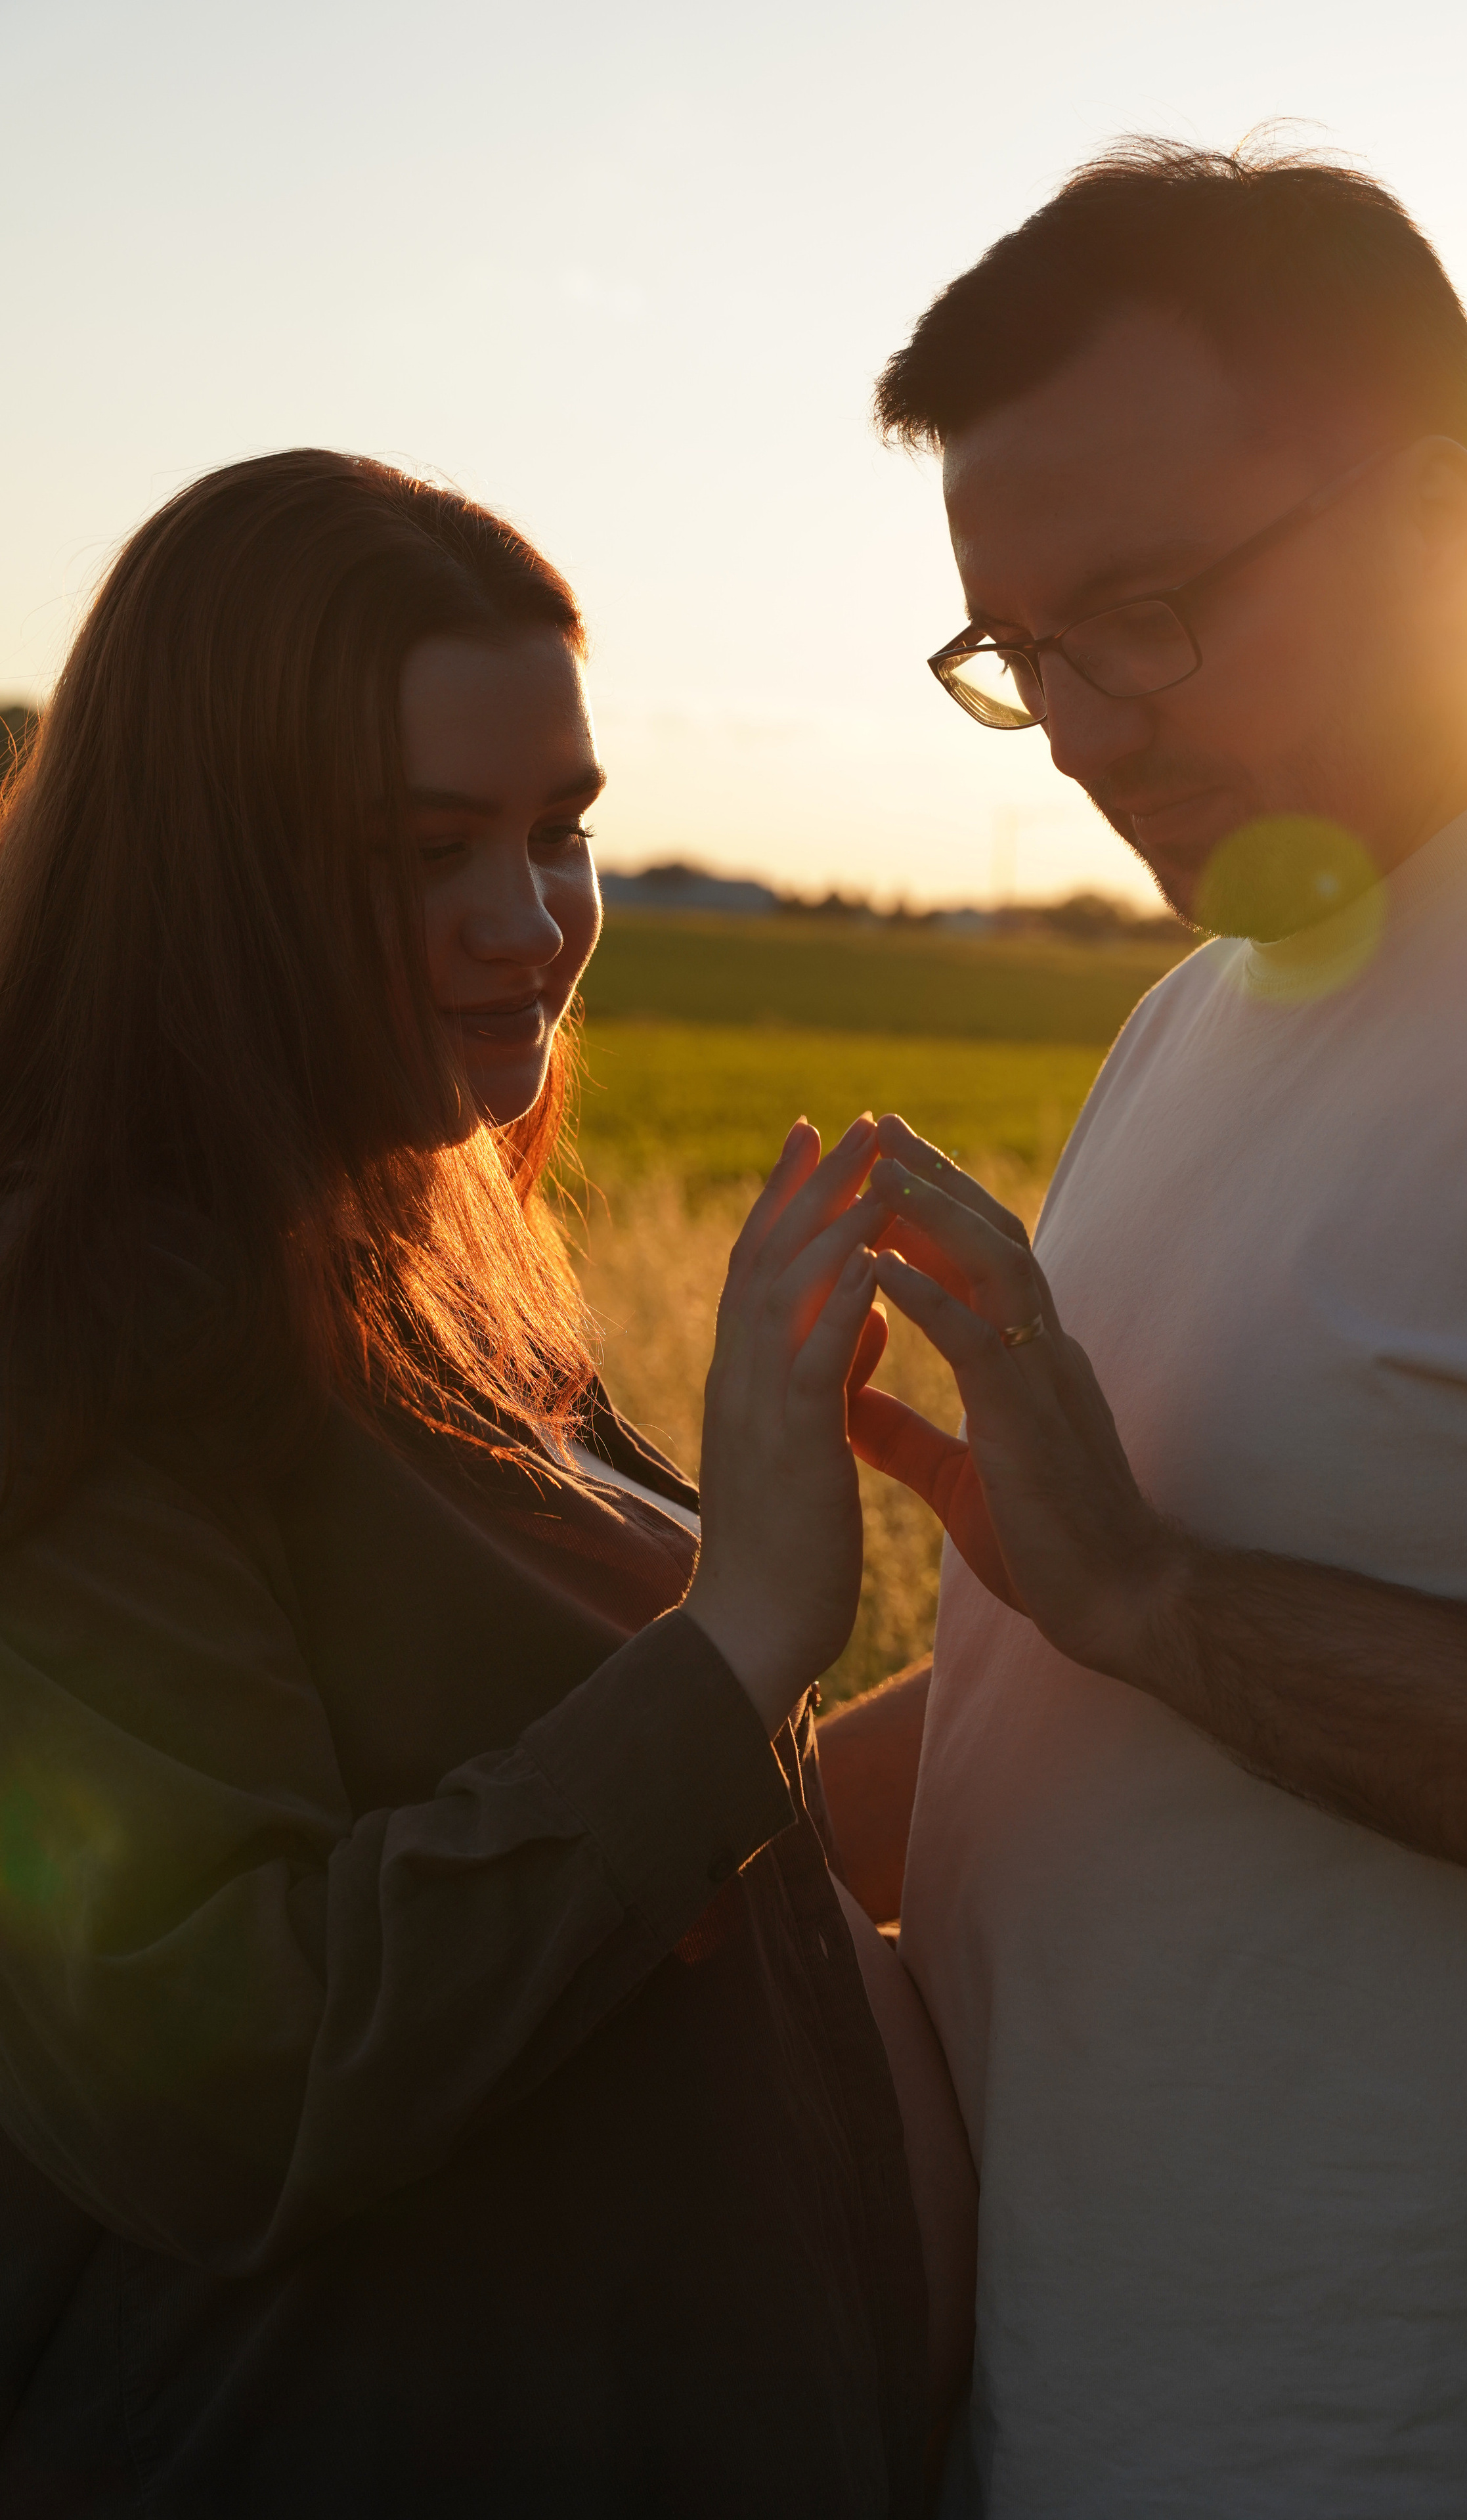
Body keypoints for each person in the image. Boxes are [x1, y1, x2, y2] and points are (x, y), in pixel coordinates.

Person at [0, 449, 974, 2516]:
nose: (528, 923)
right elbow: (217, 2074)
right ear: (211, 863)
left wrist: (1073, 1637)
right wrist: (738, 1641)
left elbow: (666, 1881)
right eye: (427, 847)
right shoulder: (70, 1357)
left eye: (561, 831)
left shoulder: (411, 1286)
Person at [839, 138, 1467, 2513]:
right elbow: (1130, 1662)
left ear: (1440, 522)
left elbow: (1176, 1615)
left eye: (1151, 609)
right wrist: (702, 1803)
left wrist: (1159, 1602)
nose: (1087, 728)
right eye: (1020, 651)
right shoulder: (1198, 1018)